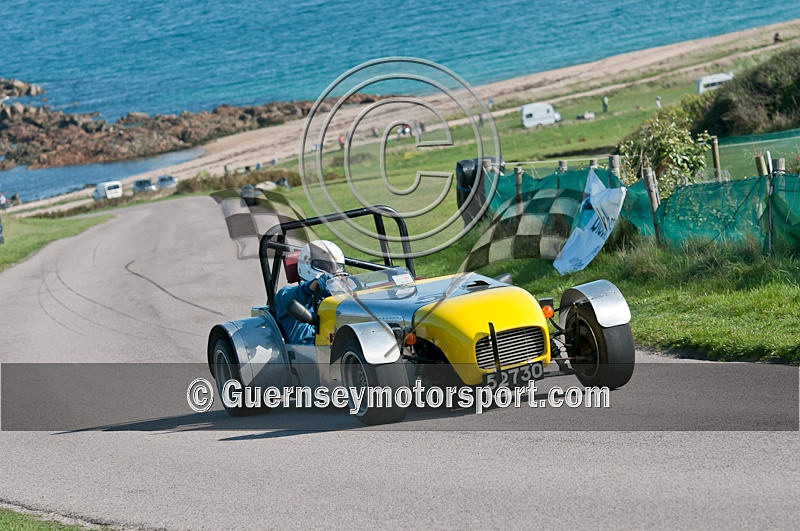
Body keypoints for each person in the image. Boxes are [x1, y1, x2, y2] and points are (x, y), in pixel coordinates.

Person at [274, 240, 347, 345]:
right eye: (326, 267)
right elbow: (292, 297)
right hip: (306, 351)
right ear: (307, 264)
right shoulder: (285, 295)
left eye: (335, 267)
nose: (331, 272)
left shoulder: (334, 295)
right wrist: (310, 287)